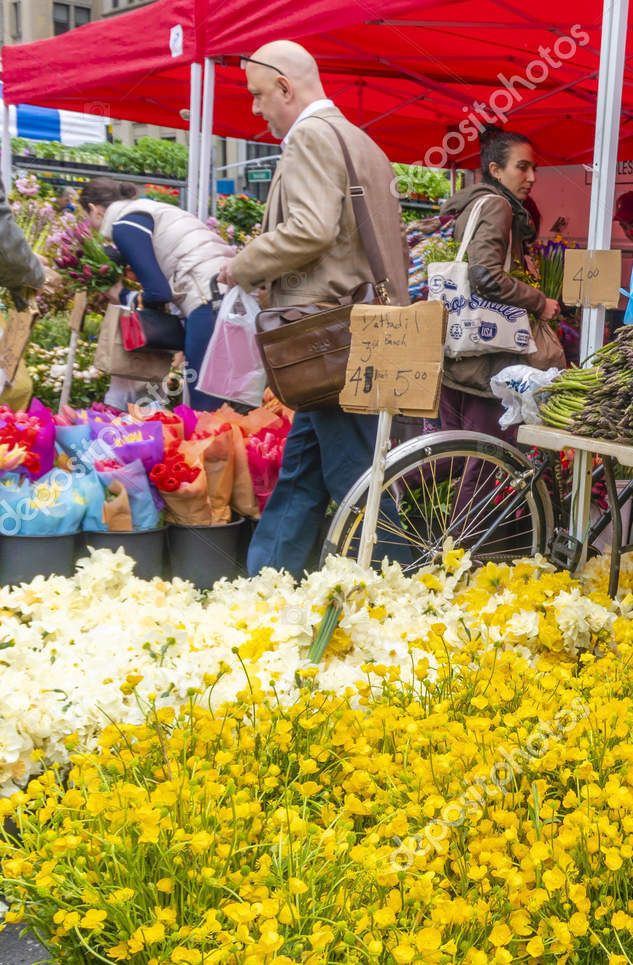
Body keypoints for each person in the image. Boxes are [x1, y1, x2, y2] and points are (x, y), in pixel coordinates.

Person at [218, 40, 411, 576]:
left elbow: (310, 228)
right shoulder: (360, 140)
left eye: (259, 95)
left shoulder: (308, 137)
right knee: (305, 467)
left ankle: (394, 580)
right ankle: (270, 576)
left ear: (285, 86)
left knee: (354, 476)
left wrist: (243, 264)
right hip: (355, 330)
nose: (256, 109)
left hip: (323, 335)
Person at [436, 129, 563, 440]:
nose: (531, 177)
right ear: (495, 170)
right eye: (522, 167)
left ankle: (392, 488)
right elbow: (486, 276)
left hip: (461, 357)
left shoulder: (472, 204)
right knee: (485, 459)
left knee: (451, 457)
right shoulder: (498, 206)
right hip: (487, 361)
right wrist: (538, 302)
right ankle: (388, 488)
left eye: (534, 168)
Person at [78, 177, 234, 411]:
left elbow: (158, 292)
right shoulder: (148, 210)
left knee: (206, 409)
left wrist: (120, 295)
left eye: (87, 218)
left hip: (208, 302)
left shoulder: (125, 225)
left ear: (93, 209)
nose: (90, 224)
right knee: (226, 406)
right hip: (228, 298)